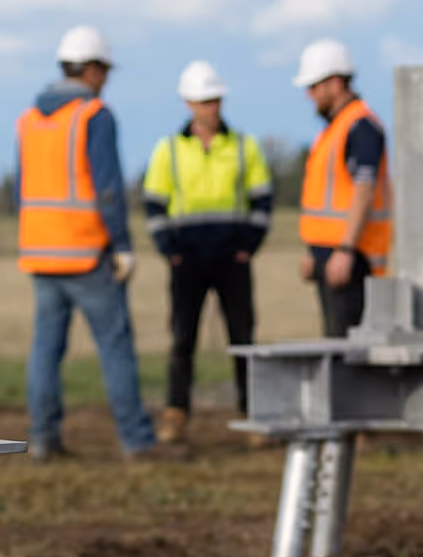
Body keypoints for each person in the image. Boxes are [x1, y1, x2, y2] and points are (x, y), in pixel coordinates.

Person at [16, 26, 157, 461]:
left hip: (40, 254)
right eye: (105, 71)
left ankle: (43, 439)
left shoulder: (29, 120)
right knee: (115, 347)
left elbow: (21, 188)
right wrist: (122, 245)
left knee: (45, 350)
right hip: (86, 253)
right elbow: (108, 188)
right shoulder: (94, 115)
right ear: (92, 69)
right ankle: (136, 441)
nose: (106, 80)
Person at [142, 61, 273, 452]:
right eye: (202, 101)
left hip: (232, 259)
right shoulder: (168, 149)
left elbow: (262, 201)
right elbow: (153, 204)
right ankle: (176, 416)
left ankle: (254, 417)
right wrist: (171, 252)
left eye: (214, 100)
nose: (210, 108)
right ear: (188, 103)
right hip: (188, 262)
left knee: (243, 339)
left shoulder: (244, 147)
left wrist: (247, 246)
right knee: (183, 341)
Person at [293, 39, 392, 337]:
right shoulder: (334, 129)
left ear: (335, 83)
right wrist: (316, 253)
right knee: (334, 346)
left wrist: (346, 249)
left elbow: (364, 189)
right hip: (333, 257)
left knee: (347, 350)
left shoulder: (361, 126)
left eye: (313, 86)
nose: (309, 95)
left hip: (351, 259)